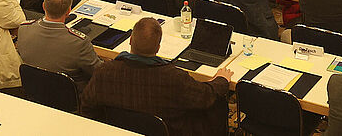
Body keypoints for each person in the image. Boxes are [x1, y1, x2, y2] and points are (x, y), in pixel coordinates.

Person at [81, 17, 231, 136]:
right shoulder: (173, 77)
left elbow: (87, 106)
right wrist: (221, 80)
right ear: (158, 47)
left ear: (131, 41)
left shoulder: (105, 71)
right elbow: (205, 96)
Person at [18, 0, 102, 87]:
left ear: (44, 6)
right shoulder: (79, 43)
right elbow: (101, 73)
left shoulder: (24, 29)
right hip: (72, 99)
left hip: (34, 94)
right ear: (68, 11)